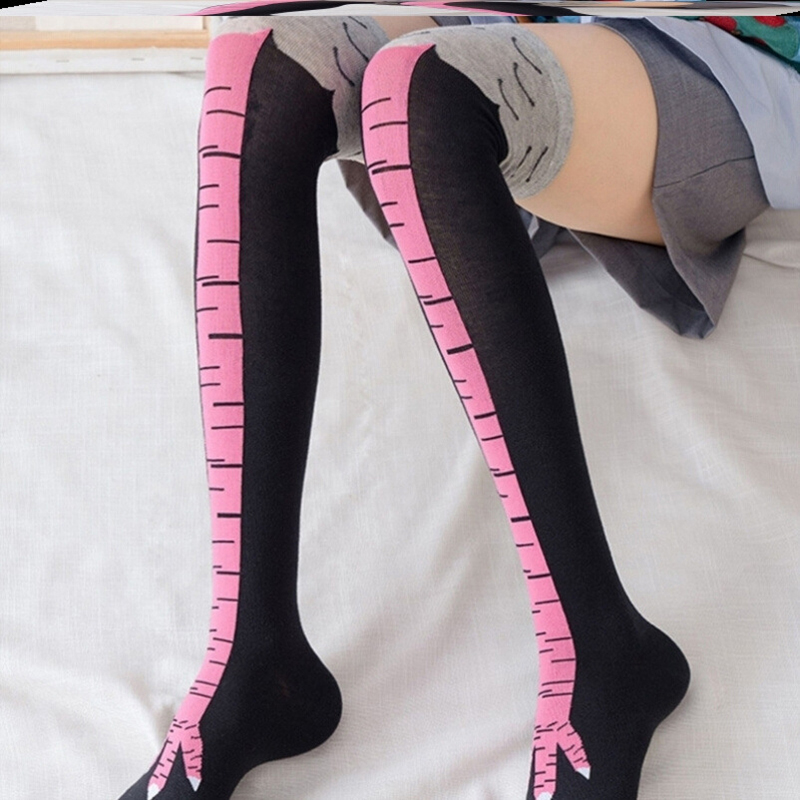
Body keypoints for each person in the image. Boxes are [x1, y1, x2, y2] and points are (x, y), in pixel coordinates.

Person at [118, 6, 799, 800]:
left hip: (717, 43)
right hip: (509, 23)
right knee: (257, 65)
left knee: (425, 93)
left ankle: (600, 652)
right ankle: (254, 658)